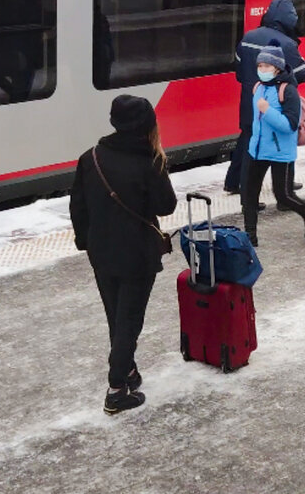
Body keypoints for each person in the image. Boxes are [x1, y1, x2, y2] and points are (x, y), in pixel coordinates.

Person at [69, 95, 177, 415]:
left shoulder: (91, 158)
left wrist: (84, 242)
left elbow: (78, 207)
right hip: (137, 255)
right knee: (129, 320)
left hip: (101, 253)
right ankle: (117, 389)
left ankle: (128, 370)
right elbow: (166, 206)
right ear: (147, 125)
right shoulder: (149, 161)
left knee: (117, 316)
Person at [225, 0, 305, 195]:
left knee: (247, 140)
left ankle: (233, 182)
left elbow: (238, 72)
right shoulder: (287, 45)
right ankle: (284, 189)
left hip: (249, 101)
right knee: (282, 142)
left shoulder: (248, 37)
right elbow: (301, 74)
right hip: (276, 105)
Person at [241, 45, 305, 248]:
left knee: (283, 195)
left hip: (279, 152)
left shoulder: (288, 91)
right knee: (249, 194)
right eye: (260, 65)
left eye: (266, 65)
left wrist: (267, 110)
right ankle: (250, 236)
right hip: (257, 149)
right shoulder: (258, 87)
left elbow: (290, 125)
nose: (262, 69)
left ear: (277, 68)